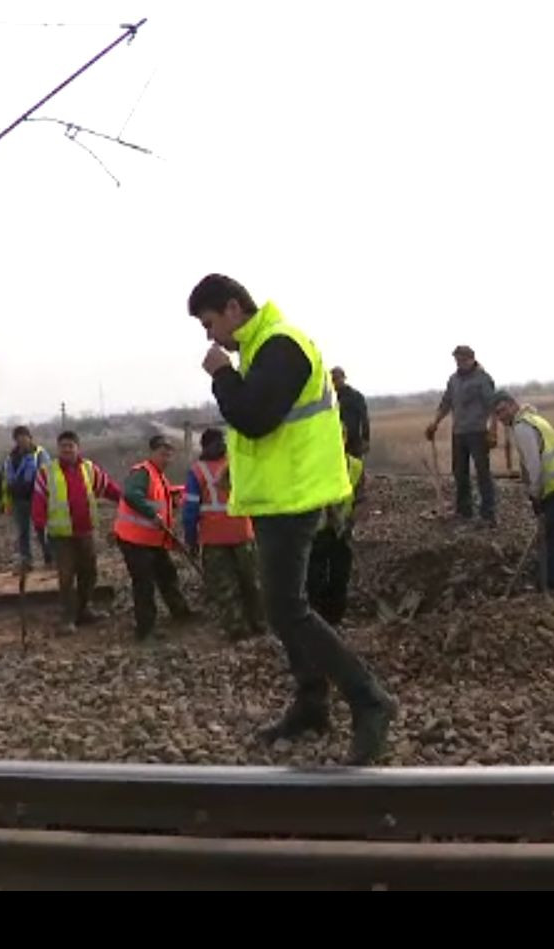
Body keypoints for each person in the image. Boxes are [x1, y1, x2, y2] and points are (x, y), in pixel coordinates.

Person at [189, 272, 396, 766]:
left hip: (294, 498)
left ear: (235, 308)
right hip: (277, 498)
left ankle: (370, 700)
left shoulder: (282, 346)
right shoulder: (264, 349)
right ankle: (311, 703)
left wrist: (220, 373)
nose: (209, 336)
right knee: (286, 605)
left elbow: (254, 416)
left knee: (285, 609)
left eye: (210, 322)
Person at [31, 430, 122, 634]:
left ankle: (84, 611)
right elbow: (38, 502)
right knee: (66, 577)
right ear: (58, 448)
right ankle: (67, 618)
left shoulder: (89, 469)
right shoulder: (47, 472)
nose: (67, 449)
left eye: (71, 446)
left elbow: (109, 488)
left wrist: (127, 501)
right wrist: (40, 526)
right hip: (61, 536)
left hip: (85, 532)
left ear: (77, 448)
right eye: (63, 446)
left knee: (89, 573)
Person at [492, 390, 554, 591]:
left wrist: (535, 493)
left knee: (552, 531)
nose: (501, 416)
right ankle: (550, 576)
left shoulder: (522, 427)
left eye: (503, 410)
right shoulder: (530, 417)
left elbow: (534, 465)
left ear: (513, 405)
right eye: (497, 414)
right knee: (549, 531)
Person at [182, 428, 266, 642]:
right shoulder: (238, 463)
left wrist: (191, 540)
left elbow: (190, 510)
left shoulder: (197, 471)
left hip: (213, 538)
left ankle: (237, 629)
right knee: (252, 581)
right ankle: (260, 624)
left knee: (225, 585)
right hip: (243, 531)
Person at [115, 434, 195, 642]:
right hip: (134, 540)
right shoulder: (142, 472)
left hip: (152, 539)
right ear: (152, 453)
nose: (166, 457)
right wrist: (152, 513)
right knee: (144, 583)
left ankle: (181, 613)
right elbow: (132, 495)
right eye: (162, 453)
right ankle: (145, 630)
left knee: (167, 574)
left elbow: (160, 496)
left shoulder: (159, 476)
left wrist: (176, 495)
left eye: (169, 453)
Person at [424, 345, 499, 525]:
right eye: (457, 360)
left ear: (472, 358)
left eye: (463, 359)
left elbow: (493, 406)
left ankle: (488, 514)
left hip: (478, 432)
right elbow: (446, 403)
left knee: (483, 473)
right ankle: (464, 511)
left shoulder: (483, 379)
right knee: (459, 473)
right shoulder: (453, 380)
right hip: (459, 433)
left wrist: (493, 431)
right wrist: (435, 423)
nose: (460, 363)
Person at [308, 426, 366, 627]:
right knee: (314, 578)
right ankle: (317, 620)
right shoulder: (313, 465)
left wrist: (349, 523)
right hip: (319, 531)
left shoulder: (355, 466)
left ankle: (334, 620)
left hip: (343, 531)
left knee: (340, 577)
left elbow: (360, 499)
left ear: (344, 438)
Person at [0, 425, 52, 569]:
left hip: (37, 498)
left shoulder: (39, 454)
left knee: (42, 530)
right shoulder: (11, 457)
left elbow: (48, 476)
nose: (21, 440)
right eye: (18, 438)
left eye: (24, 437)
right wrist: (4, 501)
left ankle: (50, 558)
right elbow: (5, 480)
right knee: (23, 532)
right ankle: (26, 560)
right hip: (18, 499)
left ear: (30, 437)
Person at [331, 367, 371, 458]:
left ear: (344, 378)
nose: (336, 382)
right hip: (335, 442)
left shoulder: (355, 396)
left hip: (353, 442)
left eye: (338, 378)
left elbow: (364, 419)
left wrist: (365, 439)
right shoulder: (329, 399)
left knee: (356, 468)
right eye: (333, 379)